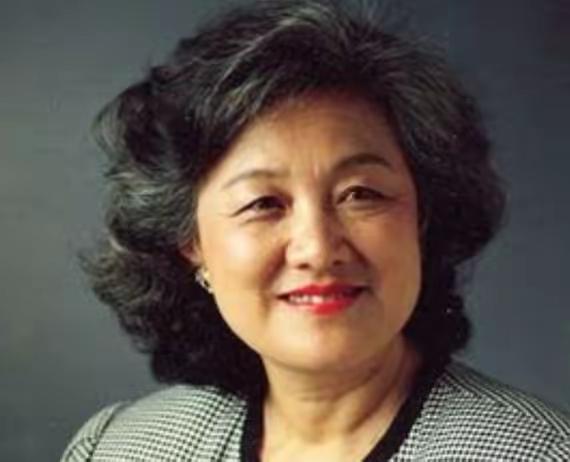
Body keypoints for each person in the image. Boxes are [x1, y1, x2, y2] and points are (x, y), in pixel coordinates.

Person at [61, 0, 569, 460]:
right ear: (191, 244)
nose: (318, 248)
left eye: (361, 194)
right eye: (264, 203)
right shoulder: (117, 448)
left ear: (422, 216)